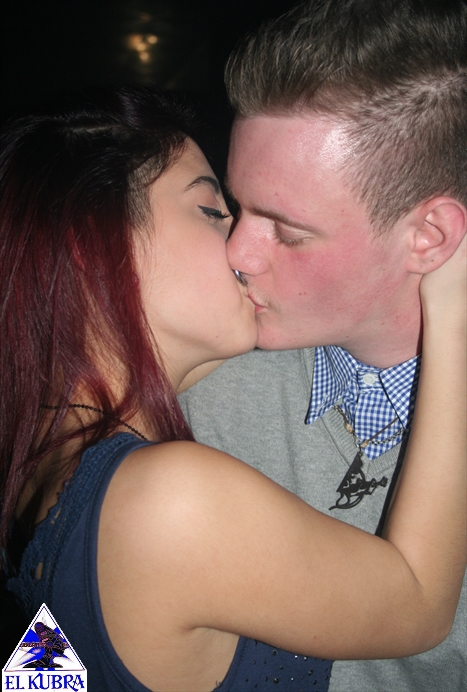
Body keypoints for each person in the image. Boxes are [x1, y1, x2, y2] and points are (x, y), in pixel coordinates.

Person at [0, 87, 465, 692]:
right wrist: (452, 306)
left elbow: (40, 678)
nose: (239, 249)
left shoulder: (41, 470)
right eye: (211, 210)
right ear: (92, 246)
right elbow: (419, 602)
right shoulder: (167, 499)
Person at [179, 0, 467, 691]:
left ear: (429, 238)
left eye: (287, 230)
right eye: (233, 207)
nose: (237, 253)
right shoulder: (195, 375)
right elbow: (55, 635)